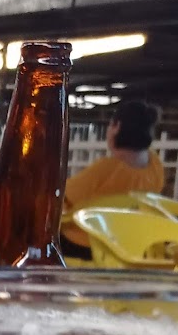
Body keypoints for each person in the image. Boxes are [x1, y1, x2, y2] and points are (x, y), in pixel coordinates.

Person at [62, 99, 163, 255]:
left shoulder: (106, 168)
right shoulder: (155, 166)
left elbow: (65, 195)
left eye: (110, 125)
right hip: (127, 243)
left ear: (117, 127)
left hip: (87, 242)